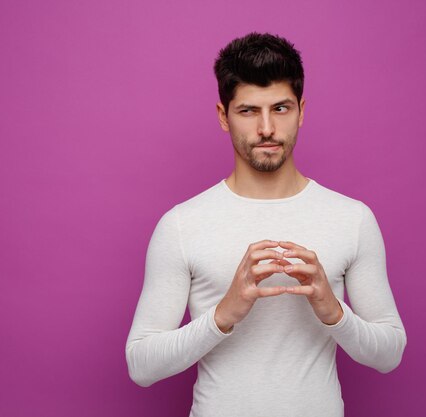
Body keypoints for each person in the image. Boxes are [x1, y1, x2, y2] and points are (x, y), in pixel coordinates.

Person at [125, 32, 406, 417]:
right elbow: (141, 365)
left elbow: (389, 353)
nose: (267, 129)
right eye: (248, 111)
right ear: (224, 116)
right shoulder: (181, 225)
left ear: (301, 111)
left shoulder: (351, 218)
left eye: (280, 109)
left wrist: (334, 312)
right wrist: (223, 314)